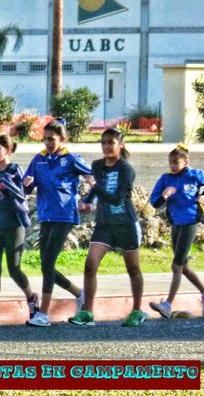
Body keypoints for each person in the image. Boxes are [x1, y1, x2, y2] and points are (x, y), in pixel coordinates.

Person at [68, 128, 146, 327]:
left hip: (125, 224)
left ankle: (137, 310)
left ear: (121, 145)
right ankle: (88, 313)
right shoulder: (97, 166)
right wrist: (86, 202)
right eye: (103, 142)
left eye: (111, 142)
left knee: (133, 268)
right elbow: (96, 194)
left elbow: (116, 198)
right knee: (90, 265)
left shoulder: (126, 169)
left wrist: (93, 186)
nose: (106, 146)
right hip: (104, 224)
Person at [23, 119, 90, 327]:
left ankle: (43, 313)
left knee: (48, 263)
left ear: (62, 139)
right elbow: (25, 186)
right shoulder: (39, 159)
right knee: (46, 266)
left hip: (64, 215)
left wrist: (89, 198)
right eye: (45, 139)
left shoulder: (71, 158)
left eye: (51, 139)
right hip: (45, 215)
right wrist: (26, 185)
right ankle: (80, 295)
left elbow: (92, 176)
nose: (48, 143)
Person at [0, 134, 38, 326]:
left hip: (13, 225)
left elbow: (22, 193)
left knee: (14, 268)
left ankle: (32, 299)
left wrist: (19, 185)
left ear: (8, 150)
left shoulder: (14, 170)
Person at [147, 144, 204, 319]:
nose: (172, 166)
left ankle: (167, 304)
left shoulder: (196, 175)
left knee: (176, 265)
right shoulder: (166, 179)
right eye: (170, 162)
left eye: (176, 162)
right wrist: (164, 195)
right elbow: (154, 202)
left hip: (190, 222)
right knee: (184, 267)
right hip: (176, 224)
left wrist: (203, 195)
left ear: (186, 162)